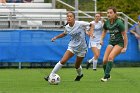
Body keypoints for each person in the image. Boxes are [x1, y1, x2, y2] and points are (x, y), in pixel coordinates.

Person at [44, 11, 93, 81]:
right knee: (63, 61)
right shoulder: (67, 27)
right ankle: (51, 75)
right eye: (68, 16)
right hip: (72, 47)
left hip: (82, 48)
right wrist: (56, 37)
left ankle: (80, 75)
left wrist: (90, 32)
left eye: (71, 16)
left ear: (74, 18)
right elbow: (64, 33)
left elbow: (91, 25)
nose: (69, 18)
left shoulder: (80, 24)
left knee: (77, 66)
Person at [100, 7, 128, 82]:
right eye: (107, 13)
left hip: (119, 43)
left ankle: (105, 77)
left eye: (110, 12)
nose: (108, 14)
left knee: (110, 57)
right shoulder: (107, 22)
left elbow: (125, 36)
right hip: (111, 42)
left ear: (115, 13)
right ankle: (108, 75)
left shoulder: (119, 22)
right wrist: (101, 39)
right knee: (104, 60)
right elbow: (104, 31)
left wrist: (125, 47)